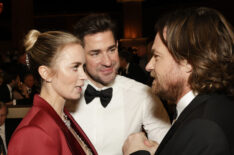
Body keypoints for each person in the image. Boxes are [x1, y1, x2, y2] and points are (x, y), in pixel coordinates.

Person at [123, 7, 234, 155]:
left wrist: (136, 153)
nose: (149, 66)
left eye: (156, 56)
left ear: (188, 62)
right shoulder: (213, 107)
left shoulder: (204, 128)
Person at [71, 13, 170, 155]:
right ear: (80, 55)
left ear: (117, 46)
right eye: (95, 53)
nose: (107, 61)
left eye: (111, 50)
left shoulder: (143, 94)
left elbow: (166, 146)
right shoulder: (65, 95)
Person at [8, 29, 98, 155]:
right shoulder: (34, 133)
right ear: (46, 73)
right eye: (75, 67)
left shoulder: (63, 118)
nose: (84, 76)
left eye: (83, 67)